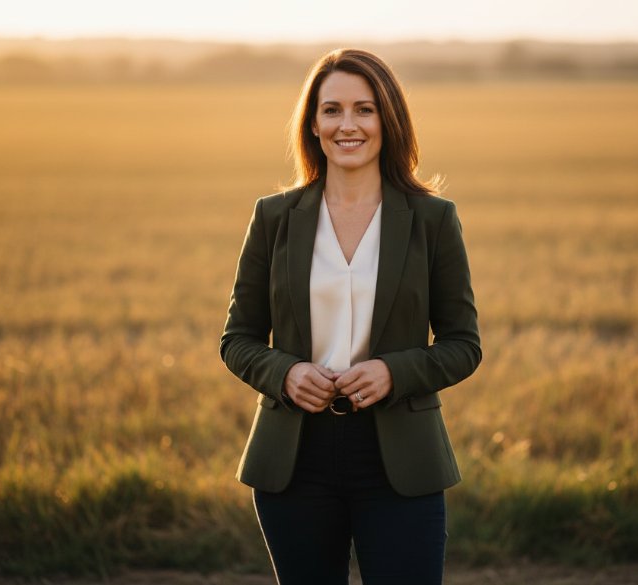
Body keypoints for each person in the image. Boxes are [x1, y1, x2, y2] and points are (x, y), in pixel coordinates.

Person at [219, 48, 481, 585]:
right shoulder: (274, 217)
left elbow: (463, 344)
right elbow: (238, 339)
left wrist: (395, 371)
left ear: (389, 119)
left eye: (365, 109)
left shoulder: (433, 219)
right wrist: (286, 373)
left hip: (400, 461)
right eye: (332, 109)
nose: (348, 125)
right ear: (312, 124)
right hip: (294, 461)